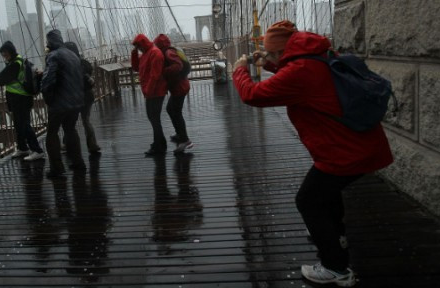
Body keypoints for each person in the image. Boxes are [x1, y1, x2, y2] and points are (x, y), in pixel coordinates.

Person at [232, 20, 393, 287]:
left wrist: (239, 71)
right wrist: (272, 62)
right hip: (360, 144)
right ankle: (336, 235)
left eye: (272, 54)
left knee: (308, 201)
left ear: (283, 51)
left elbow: (253, 95)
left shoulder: (300, 71)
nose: (269, 58)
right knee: (327, 193)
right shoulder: (317, 54)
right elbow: (300, 80)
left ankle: (335, 268)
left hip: (343, 151)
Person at [0, 41, 44, 161]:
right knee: (19, 124)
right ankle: (22, 148)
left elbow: (3, 77)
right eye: (3, 55)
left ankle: (37, 150)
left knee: (24, 124)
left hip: (20, 98)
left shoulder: (15, 64)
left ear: (11, 52)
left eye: (6, 54)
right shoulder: (19, 60)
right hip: (20, 98)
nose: (5, 57)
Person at [40, 30, 86, 177]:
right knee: (71, 130)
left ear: (51, 42)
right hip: (76, 100)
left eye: (47, 42)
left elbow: (48, 80)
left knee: (52, 133)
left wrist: (48, 98)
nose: (47, 45)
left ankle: (57, 168)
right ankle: (78, 162)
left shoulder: (53, 56)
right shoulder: (72, 55)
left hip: (59, 101)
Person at [153, 34, 193, 154]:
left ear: (160, 45)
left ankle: (185, 140)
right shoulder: (170, 50)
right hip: (179, 87)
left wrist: (163, 72)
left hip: (179, 87)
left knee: (175, 112)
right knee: (171, 109)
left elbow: (177, 66)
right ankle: (179, 134)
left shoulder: (168, 53)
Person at [131, 34, 167, 156]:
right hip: (150, 92)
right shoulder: (146, 53)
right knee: (153, 118)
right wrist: (134, 54)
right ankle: (160, 143)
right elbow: (136, 68)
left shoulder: (155, 53)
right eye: (137, 47)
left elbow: (155, 75)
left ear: (143, 43)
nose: (139, 49)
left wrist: (148, 91)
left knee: (154, 119)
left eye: (139, 46)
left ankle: (159, 146)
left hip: (156, 92)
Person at [64, 41, 101, 154]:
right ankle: (92, 145)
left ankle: (67, 145)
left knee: (69, 123)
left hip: (76, 96)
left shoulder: (70, 64)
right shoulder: (84, 62)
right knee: (86, 120)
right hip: (88, 95)